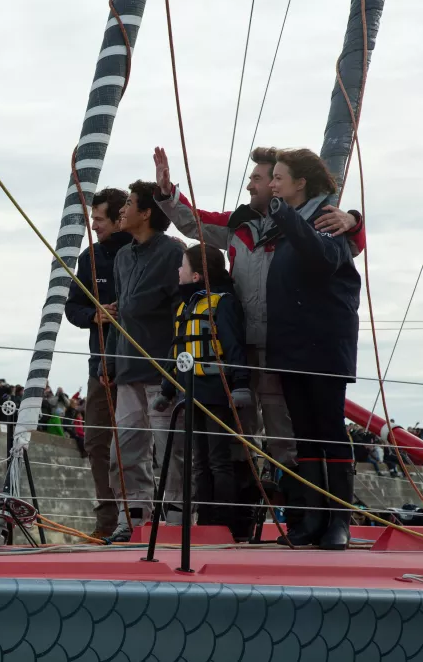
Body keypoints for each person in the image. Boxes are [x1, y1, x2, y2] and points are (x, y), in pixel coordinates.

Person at [153, 145, 365, 540]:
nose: (249, 184)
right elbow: (194, 223)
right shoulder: (242, 225)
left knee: (289, 439)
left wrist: (354, 221)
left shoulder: (318, 222)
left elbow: (344, 247)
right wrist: (168, 195)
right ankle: (239, 526)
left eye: (258, 178)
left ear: (278, 184)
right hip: (240, 349)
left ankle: (307, 520)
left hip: (289, 345)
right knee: (238, 442)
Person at [265, 148, 361, 550]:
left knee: (330, 430)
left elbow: (322, 260)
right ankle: (311, 518)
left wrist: (287, 218)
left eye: (278, 177)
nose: (272, 184)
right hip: (290, 343)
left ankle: (339, 520)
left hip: (323, 344)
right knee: (304, 434)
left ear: (300, 183)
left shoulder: (328, 220)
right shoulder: (287, 222)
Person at [101, 180, 186, 542]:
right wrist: (107, 360)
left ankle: (177, 521)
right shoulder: (122, 256)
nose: (123, 209)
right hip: (126, 367)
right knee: (124, 449)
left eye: (130, 203)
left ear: (147, 212)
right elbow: (121, 312)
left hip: (162, 370)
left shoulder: (173, 253)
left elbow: (180, 311)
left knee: (171, 452)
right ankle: (132, 519)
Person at [153, 244, 250, 537]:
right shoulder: (184, 307)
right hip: (189, 394)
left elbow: (234, 347)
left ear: (196, 275)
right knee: (199, 462)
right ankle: (205, 520)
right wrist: (167, 391)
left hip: (216, 393)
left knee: (219, 460)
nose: (177, 271)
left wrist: (241, 384)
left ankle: (224, 521)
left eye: (182, 266)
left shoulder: (223, 303)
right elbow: (177, 355)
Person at [65, 187, 131, 539]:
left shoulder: (147, 252)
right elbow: (72, 308)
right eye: (93, 218)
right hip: (100, 366)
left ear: (122, 217)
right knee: (96, 442)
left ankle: (137, 515)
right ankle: (107, 519)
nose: (94, 225)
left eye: (100, 219)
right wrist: (95, 316)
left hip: (138, 366)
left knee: (135, 442)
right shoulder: (90, 257)